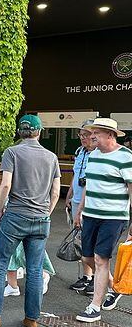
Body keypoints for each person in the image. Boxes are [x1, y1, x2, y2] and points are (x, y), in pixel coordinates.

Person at [0, 114, 61, 327]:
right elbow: (56, 191)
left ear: (20, 132)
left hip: (15, 217)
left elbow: (5, 185)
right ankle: (31, 320)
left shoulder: (12, 152)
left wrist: (1, 208)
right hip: (41, 219)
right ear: (39, 132)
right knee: (35, 269)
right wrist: (45, 213)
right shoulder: (51, 157)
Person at [73, 118, 132, 322]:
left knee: (100, 259)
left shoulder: (125, 157)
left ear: (110, 134)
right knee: (87, 258)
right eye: (91, 132)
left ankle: (94, 307)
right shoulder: (93, 155)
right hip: (90, 215)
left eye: (96, 132)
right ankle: (114, 288)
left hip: (113, 217)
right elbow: (90, 184)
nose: (92, 136)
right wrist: (80, 209)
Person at [66, 121, 96, 293]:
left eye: (86, 134)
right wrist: (69, 196)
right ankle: (87, 276)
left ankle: (95, 278)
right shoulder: (79, 152)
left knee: (90, 240)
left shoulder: (99, 154)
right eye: (81, 135)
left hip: (91, 203)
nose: (83, 138)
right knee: (80, 240)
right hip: (77, 200)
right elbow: (75, 175)